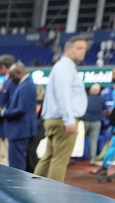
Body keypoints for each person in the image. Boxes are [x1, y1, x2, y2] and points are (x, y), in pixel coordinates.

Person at [34, 36, 89, 183]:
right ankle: (53, 196)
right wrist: (69, 119)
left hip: (55, 118)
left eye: (84, 49)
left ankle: (34, 189)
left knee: (49, 157)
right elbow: (63, 94)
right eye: (78, 48)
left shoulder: (63, 67)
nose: (82, 52)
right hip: (62, 120)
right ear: (67, 50)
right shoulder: (65, 68)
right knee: (59, 159)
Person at [0, 62, 38, 171]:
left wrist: (3, 112)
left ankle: (17, 187)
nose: (10, 79)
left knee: (17, 165)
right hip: (20, 130)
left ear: (19, 73)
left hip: (20, 130)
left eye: (11, 76)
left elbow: (21, 109)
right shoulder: (25, 84)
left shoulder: (26, 86)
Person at [83, 83, 105, 163]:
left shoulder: (85, 98)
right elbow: (104, 110)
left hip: (85, 122)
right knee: (93, 141)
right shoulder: (101, 99)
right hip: (96, 122)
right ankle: (92, 159)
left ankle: (78, 157)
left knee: (80, 139)